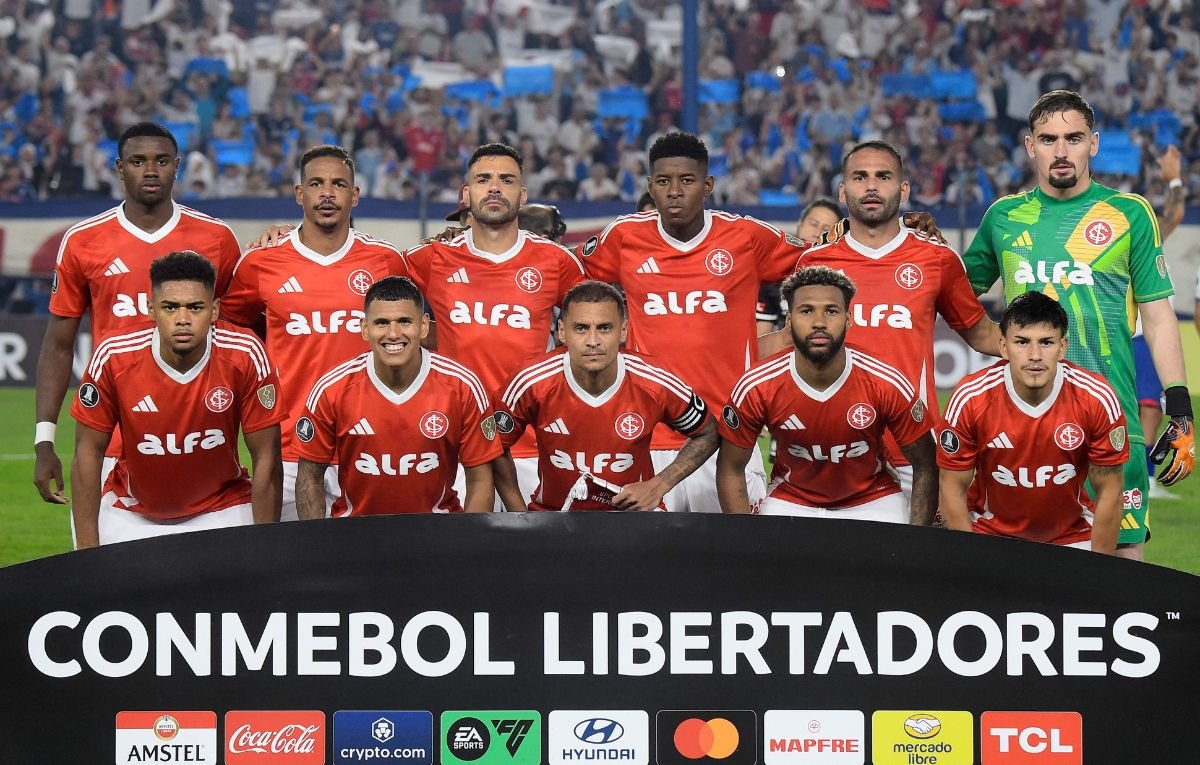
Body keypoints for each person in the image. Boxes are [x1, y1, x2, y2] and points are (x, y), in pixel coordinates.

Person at [963, 90, 1194, 560]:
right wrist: (995, 341)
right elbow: (956, 297)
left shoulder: (1129, 214)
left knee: (1122, 570)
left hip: (1111, 421)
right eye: (1049, 139)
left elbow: (1156, 313)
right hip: (1020, 426)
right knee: (1017, 568)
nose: (1061, 151)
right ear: (1030, 146)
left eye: (1073, 138)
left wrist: (1180, 405)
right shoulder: (1003, 217)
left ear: (1094, 143)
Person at [761, 140, 1000, 504]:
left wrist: (1054, 345)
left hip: (913, 453)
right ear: (843, 191)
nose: (871, 186)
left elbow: (983, 334)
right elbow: (787, 343)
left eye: (883, 177)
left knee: (917, 559)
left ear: (903, 189)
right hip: (833, 448)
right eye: (860, 177)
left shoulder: (936, 258)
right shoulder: (815, 261)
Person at [34, 122, 241, 507]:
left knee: (203, 564)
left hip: (201, 437)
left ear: (177, 166)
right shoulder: (83, 241)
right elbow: (59, 345)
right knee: (104, 565)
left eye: (161, 161)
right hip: (108, 439)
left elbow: (241, 335)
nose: (150, 170)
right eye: (138, 161)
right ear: (118, 167)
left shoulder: (216, 238)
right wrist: (44, 440)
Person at [220, 144, 408, 520]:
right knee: (289, 570)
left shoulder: (385, 260)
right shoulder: (261, 261)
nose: (327, 193)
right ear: (299, 193)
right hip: (287, 447)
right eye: (316, 183)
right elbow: (232, 332)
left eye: (338, 184)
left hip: (367, 447)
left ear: (354, 195)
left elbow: (415, 336)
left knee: (368, 570)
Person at [403, 143, 587, 508]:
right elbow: (358, 277)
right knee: (461, 559)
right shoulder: (430, 259)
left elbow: (594, 332)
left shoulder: (555, 261)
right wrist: (283, 236)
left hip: (532, 444)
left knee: (533, 559)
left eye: (506, 179)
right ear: (467, 192)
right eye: (483, 179)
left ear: (522, 193)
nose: (494, 188)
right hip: (452, 442)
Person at [69, 251, 283, 547]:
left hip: (222, 509)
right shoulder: (113, 357)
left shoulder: (245, 354)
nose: (183, 319)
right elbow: (87, 454)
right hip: (131, 513)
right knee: (111, 591)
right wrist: (86, 552)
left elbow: (267, 458)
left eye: (195, 308)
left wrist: (265, 546)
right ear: (151, 309)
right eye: (170, 307)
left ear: (216, 309)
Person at [716, 266, 937, 522]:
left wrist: (916, 540)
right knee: (770, 560)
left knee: (893, 560)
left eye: (831, 311)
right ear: (789, 321)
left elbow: (926, 464)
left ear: (848, 318)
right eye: (806, 311)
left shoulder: (885, 381)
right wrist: (746, 541)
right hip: (791, 499)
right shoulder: (757, 385)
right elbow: (730, 468)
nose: (819, 322)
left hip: (873, 498)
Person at [494, 281, 717, 511]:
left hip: (635, 520)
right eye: (580, 328)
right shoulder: (531, 382)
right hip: (552, 519)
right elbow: (494, 444)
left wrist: (658, 485)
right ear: (562, 331)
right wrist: (520, 516)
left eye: (604, 328)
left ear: (623, 331)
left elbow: (708, 432)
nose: (593, 341)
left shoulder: (654, 382)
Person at [292, 276, 501, 516]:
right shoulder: (332, 388)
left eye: (404, 321)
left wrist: (465, 547)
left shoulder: (462, 386)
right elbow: (309, 477)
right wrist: (317, 549)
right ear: (364, 328)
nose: (393, 333)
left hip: (438, 536)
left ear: (423, 326)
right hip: (355, 537)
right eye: (381, 322)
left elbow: (481, 478)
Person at [938, 292, 1128, 554]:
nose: (1035, 354)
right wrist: (970, 562)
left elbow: (1110, 492)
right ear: (1003, 346)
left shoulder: (1096, 397)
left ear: (1063, 347)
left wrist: (1099, 573)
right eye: (1022, 342)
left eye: (1046, 342)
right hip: (989, 534)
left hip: (1071, 536)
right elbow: (952, 488)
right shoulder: (971, 398)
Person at [1133, 145, 1186, 500]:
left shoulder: (1144, 239)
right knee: (1149, 404)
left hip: (1138, 334)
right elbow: (1176, 213)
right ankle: (1147, 479)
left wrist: (1175, 178)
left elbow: (1176, 212)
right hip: (1141, 335)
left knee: (1144, 404)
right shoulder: (1137, 241)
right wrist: (1175, 180)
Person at [756, 197, 843, 337]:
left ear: (837, 237)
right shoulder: (774, 271)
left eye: (827, 228)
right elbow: (761, 337)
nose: (818, 231)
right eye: (813, 224)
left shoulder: (843, 279)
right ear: (799, 224)